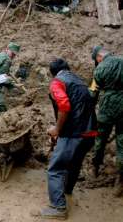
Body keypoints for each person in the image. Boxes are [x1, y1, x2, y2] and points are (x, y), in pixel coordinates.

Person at [40, 58, 97, 220]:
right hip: (90, 132)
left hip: (74, 134)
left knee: (55, 169)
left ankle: (58, 208)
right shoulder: (80, 81)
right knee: (74, 164)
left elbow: (64, 106)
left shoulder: (57, 82)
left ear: (53, 73)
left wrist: (57, 129)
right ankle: (67, 190)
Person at [90, 47, 123, 197]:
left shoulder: (99, 69)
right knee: (122, 144)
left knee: (100, 139)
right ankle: (120, 181)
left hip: (107, 109)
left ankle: (95, 168)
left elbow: (92, 93)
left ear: (98, 57)